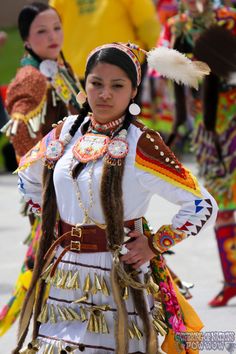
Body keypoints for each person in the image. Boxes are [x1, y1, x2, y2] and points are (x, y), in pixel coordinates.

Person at [13, 42, 217, 354]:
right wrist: (51, 219)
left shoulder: (142, 143)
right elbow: (27, 177)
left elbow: (202, 204)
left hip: (117, 277)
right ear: (85, 85)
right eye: (96, 83)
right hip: (63, 277)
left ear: (133, 91)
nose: (104, 94)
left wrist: (154, 244)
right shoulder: (66, 131)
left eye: (117, 85)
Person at [0, 2, 82, 336]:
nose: (52, 36)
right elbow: (19, 135)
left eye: (56, 28)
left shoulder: (58, 66)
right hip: (52, 193)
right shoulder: (31, 77)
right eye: (42, 31)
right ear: (27, 40)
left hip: (72, 185)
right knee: (54, 261)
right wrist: (41, 184)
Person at [160, 0, 236, 307]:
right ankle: (232, 279)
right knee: (224, 204)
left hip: (230, 118)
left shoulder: (229, 19)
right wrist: (179, 122)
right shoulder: (178, 26)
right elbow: (178, 80)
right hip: (210, 130)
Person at [48, 0, 160, 81]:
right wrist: (158, 54)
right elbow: (147, 25)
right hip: (122, 68)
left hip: (76, 71)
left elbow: (50, 26)